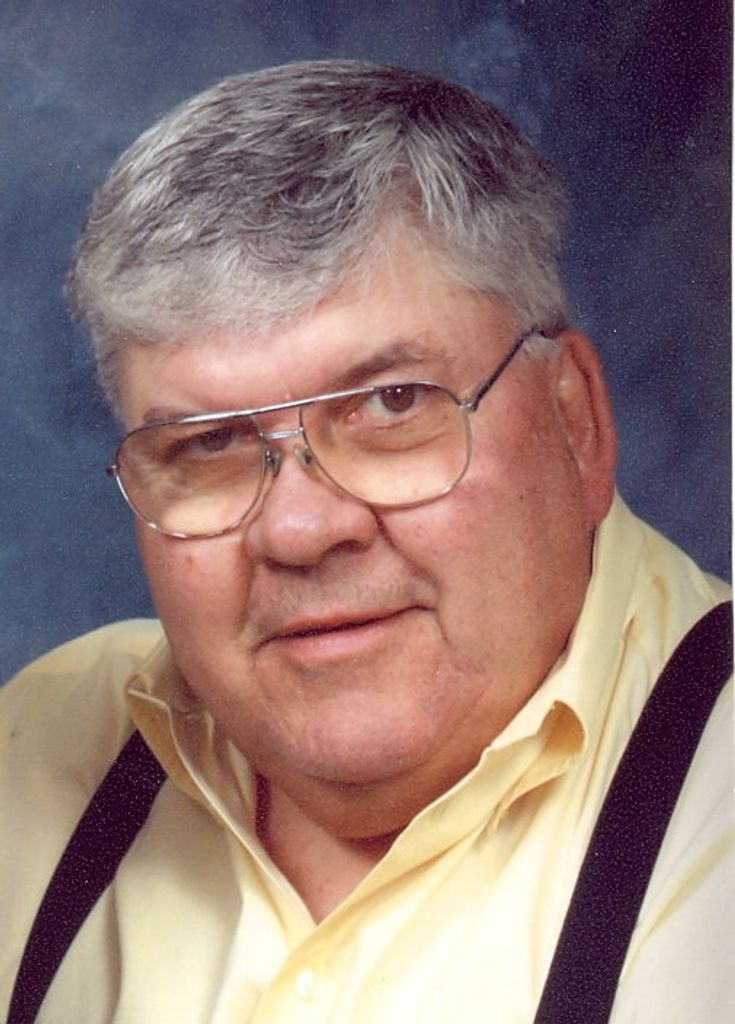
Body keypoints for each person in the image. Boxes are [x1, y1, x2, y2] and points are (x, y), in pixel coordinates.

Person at [1, 59, 731, 1023]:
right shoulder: (47, 754)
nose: (300, 530)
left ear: (575, 419)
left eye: (392, 404)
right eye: (209, 443)